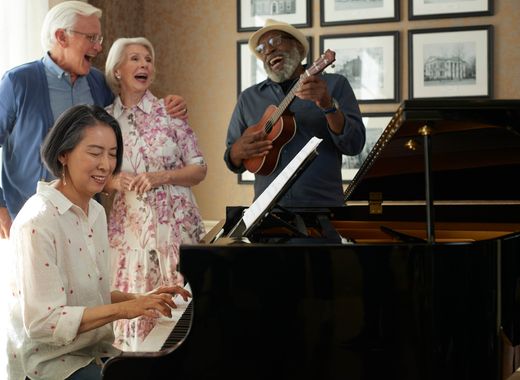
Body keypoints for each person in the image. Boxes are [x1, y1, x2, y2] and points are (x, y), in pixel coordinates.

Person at [6, 104, 191, 380]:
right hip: (49, 365)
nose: (106, 165)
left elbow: (89, 294)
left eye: (113, 154)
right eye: (94, 152)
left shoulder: (95, 211)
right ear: (63, 154)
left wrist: (141, 299)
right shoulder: (38, 221)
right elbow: (44, 322)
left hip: (92, 352)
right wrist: (123, 310)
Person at [0, 0, 188, 239]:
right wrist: (0, 206)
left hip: (86, 218)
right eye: (91, 38)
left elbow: (132, 114)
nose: (98, 48)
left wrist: (169, 105)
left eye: (98, 39)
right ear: (61, 37)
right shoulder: (19, 82)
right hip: (29, 216)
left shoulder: (98, 83)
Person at [103, 37, 207, 350]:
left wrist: (160, 177)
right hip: (130, 236)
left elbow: (199, 169)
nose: (144, 65)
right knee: (136, 313)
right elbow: (96, 176)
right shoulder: (105, 120)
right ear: (117, 70)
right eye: (135, 59)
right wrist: (115, 181)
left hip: (176, 231)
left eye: (148, 59)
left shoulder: (170, 113)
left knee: (180, 321)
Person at [224, 19, 366, 207]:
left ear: (298, 47)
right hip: (267, 214)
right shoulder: (248, 98)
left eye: (275, 41)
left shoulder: (334, 85)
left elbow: (354, 144)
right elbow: (232, 158)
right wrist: (237, 151)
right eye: (261, 48)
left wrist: (328, 105)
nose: (267, 50)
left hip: (323, 210)